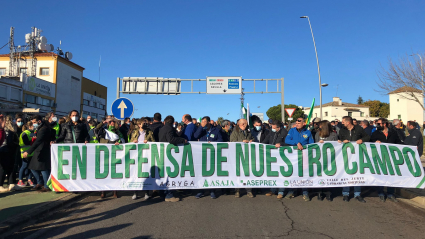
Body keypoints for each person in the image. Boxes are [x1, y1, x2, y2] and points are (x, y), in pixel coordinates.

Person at [338, 116, 370, 203]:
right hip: (346, 155)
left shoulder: (359, 129)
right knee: (346, 174)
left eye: (343, 121)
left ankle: (357, 194)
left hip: (357, 155)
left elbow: (367, 137)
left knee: (357, 174)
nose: (342, 123)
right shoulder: (342, 130)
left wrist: (362, 140)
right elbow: (339, 140)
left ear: (348, 122)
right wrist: (341, 141)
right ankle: (345, 193)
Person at [22, 115, 56, 192]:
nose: (33, 124)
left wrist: (28, 151)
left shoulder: (43, 129)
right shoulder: (43, 127)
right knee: (33, 167)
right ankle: (40, 182)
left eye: (34, 122)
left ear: (39, 121)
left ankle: (46, 186)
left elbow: (38, 141)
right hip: (41, 150)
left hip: (42, 150)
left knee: (43, 169)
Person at [370, 118, 400, 202]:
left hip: (391, 157)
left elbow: (398, 142)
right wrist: (375, 142)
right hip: (380, 157)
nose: (377, 125)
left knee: (391, 175)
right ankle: (381, 192)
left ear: (384, 124)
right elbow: (370, 142)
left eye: (379, 124)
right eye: (377, 124)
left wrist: (411, 148)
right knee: (381, 175)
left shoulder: (393, 133)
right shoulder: (375, 133)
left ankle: (391, 193)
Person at [159, 115, 187, 202]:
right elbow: (171, 139)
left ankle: (163, 193)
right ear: (172, 122)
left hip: (163, 153)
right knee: (169, 174)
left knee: (164, 174)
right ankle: (169, 195)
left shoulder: (163, 128)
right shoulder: (169, 128)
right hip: (169, 154)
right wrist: (182, 140)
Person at [285, 117, 314, 201]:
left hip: (304, 155)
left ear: (303, 123)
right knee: (293, 173)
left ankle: (305, 193)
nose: (297, 124)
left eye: (299, 122)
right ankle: (291, 191)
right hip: (293, 155)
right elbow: (287, 140)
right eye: (296, 123)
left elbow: (311, 143)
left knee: (303, 173)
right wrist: (296, 143)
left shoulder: (308, 132)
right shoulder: (292, 130)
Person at [193, 116, 222, 199]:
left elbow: (220, 140)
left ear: (209, 122)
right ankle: (201, 191)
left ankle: (212, 190)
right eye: (202, 122)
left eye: (205, 122)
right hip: (202, 154)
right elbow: (195, 136)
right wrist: (201, 127)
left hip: (212, 154)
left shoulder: (216, 130)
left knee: (211, 173)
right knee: (201, 173)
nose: (204, 123)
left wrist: (213, 143)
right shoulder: (201, 130)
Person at [130, 118, 155, 200]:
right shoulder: (134, 132)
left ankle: (147, 192)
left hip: (146, 156)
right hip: (136, 156)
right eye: (142, 123)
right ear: (139, 125)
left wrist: (148, 142)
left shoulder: (150, 132)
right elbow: (130, 143)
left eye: (145, 123)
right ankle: (135, 192)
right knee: (136, 174)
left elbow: (154, 143)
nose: (144, 125)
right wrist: (133, 141)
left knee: (145, 174)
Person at [263, 120, 288, 198]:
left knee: (281, 174)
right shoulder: (271, 132)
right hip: (272, 155)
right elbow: (267, 139)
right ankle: (273, 190)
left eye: (274, 128)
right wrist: (261, 145)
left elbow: (288, 143)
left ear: (279, 127)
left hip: (281, 155)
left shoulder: (285, 133)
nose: (272, 129)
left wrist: (281, 144)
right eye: (272, 127)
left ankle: (281, 192)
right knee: (273, 173)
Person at [97, 119, 122, 198]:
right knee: (104, 173)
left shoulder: (118, 132)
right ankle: (103, 191)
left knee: (114, 173)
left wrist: (119, 142)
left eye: (113, 124)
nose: (112, 125)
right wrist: (102, 123)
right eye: (110, 124)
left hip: (115, 154)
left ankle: (115, 191)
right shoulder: (104, 131)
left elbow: (123, 140)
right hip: (105, 154)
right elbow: (96, 130)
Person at [314, 120, 338, 201]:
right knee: (320, 175)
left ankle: (328, 193)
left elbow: (336, 146)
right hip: (319, 157)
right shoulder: (318, 134)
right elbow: (314, 144)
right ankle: (319, 192)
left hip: (329, 158)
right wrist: (318, 143)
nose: (319, 127)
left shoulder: (333, 134)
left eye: (321, 125)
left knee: (328, 175)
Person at [230, 119, 254, 198]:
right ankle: (237, 191)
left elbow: (253, 138)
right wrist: (241, 141)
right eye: (243, 124)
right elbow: (232, 141)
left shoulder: (248, 132)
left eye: (246, 124)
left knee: (247, 173)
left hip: (247, 155)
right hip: (238, 155)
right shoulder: (235, 132)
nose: (245, 125)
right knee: (238, 174)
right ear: (239, 124)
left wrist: (251, 140)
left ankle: (249, 191)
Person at [0, 115, 21, 192]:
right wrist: (15, 145)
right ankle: (3, 184)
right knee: (6, 168)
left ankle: (11, 183)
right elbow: (9, 141)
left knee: (9, 167)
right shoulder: (9, 130)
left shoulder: (5, 129)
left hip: (6, 149)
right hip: (8, 150)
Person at [17, 122, 37, 187]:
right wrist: (33, 140)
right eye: (33, 125)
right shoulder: (24, 133)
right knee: (24, 166)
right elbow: (26, 143)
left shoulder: (32, 132)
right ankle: (20, 180)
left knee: (31, 167)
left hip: (31, 153)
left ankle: (29, 180)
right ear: (30, 126)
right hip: (25, 153)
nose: (34, 126)